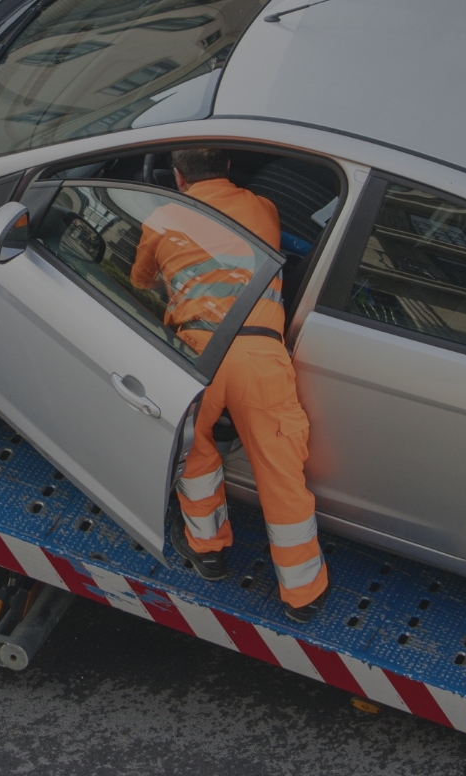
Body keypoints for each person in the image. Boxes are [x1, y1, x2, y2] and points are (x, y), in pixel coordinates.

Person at [129, 148, 329, 623]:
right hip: (260, 354)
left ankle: (209, 550)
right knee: (280, 471)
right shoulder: (263, 208)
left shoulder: (162, 218)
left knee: (193, 454)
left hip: (197, 354)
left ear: (179, 178)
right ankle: (303, 595)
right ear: (227, 169)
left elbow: (140, 281)